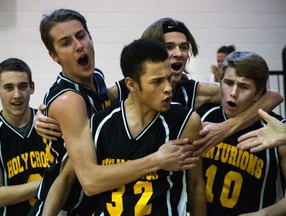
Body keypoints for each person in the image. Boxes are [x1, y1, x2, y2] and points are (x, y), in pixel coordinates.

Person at [30, 9, 200, 216]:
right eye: (66, 43)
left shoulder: (97, 80)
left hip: (91, 201)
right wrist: (157, 160)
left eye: (81, 35)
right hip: (63, 204)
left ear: (90, 37)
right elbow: (86, 179)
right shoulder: (69, 100)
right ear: (54, 56)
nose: (78, 45)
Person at [34, 17, 283, 156]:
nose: (178, 53)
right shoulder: (122, 91)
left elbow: (271, 96)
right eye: (169, 47)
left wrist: (226, 128)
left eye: (184, 47)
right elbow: (83, 103)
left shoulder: (194, 90)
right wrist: (42, 116)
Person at [196, 51, 286, 215]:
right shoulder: (201, 117)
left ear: (258, 94)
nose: (233, 93)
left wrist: (262, 215)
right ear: (219, 82)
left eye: (244, 87)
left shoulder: (275, 129)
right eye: (228, 83)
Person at [0, 58, 55, 215]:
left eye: (22, 86)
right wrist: (50, 182)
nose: (17, 95)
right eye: (9, 88)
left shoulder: (48, 123)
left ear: (32, 88)